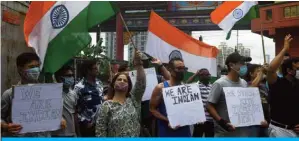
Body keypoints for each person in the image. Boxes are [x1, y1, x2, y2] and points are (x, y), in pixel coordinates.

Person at [1, 52, 65, 137]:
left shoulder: (48, 92)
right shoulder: (9, 94)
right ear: (20, 69)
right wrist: (5, 126)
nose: (36, 70)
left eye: (37, 66)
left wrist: (60, 120)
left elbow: (54, 113)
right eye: (31, 67)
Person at [207, 52, 267, 137]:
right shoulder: (219, 83)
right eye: (241, 64)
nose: (244, 67)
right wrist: (222, 122)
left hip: (242, 133)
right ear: (231, 65)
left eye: (245, 64)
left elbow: (248, 105)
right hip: (224, 134)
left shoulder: (244, 83)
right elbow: (209, 106)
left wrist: (259, 119)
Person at [95, 50, 146, 137]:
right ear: (113, 84)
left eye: (125, 81)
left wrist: (139, 65)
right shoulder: (106, 106)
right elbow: (100, 132)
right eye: (119, 79)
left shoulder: (134, 100)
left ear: (129, 86)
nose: (122, 81)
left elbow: (141, 83)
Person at [266, 34, 299, 137]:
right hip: (280, 130)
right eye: (297, 68)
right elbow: (270, 69)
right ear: (289, 70)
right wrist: (285, 49)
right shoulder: (277, 83)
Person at [150, 58, 191, 137]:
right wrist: (168, 120)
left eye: (184, 68)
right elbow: (152, 109)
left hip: (185, 132)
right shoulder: (160, 88)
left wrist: (196, 116)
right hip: (167, 132)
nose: (182, 71)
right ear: (170, 69)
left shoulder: (186, 88)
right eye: (179, 68)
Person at [74, 60, 104, 137]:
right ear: (88, 70)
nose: (98, 70)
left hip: (101, 124)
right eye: (95, 68)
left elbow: (101, 100)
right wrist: (85, 121)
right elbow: (75, 109)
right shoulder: (79, 87)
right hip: (87, 126)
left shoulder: (99, 83)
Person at [187, 69, 214, 137]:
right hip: (200, 119)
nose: (209, 76)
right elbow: (187, 84)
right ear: (201, 76)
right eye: (207, 74)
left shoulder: (212, 86)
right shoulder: (196, 86)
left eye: (209, 74)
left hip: (210, 119)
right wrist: (196, 74)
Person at [52, 65, 79, 137]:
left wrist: (77, 132)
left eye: (72, 75)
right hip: (57, 134)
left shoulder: (73, 93)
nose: (71, 78)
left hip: (71, 133)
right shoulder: (52, 94)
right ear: (60, 78)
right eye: (68, 75)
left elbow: (74, 113)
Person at [246, 64, 270, 137]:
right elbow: (252, 88)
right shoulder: (247, 85)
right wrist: (261, 72)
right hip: (253, 124)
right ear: (251, 74)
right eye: (258, 71)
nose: (260, 73)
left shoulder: (264, 86)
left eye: (261, 71)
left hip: (265, 122)